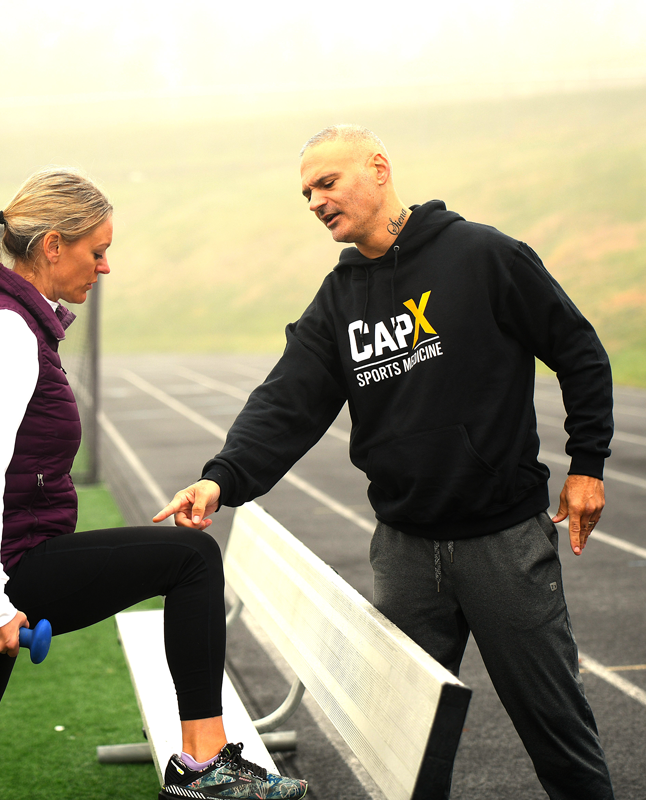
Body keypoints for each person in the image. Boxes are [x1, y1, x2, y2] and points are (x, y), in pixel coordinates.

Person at [155, 126, 615, 800]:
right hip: (404, 551)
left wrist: (588, 465)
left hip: (503, 543)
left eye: (326, 183)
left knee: (557, 732)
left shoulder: (484, 256)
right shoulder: (340, 299)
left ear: (377, 168)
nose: (314, 201)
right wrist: (220, 478)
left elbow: (578, 350)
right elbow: (287, 401)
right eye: (305, 192)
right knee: (402, 754)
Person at [0, 167, 307, 800]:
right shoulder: (5, 330)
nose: (106, 267)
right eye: (99, 250)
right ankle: (206, 767)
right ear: (54, 244)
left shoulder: (13, 322)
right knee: (191, 558)